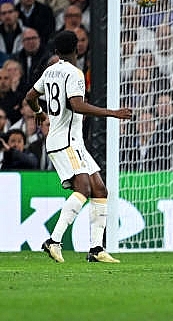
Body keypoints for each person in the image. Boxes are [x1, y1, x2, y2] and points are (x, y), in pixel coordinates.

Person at [25, 30, 132, 263]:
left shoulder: (50, 71)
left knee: (100, 189)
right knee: (83, 188)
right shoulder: (75, 73)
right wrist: (113, 113)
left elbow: (30, 96)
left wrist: (39, 112)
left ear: (56, 51)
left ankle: (96, 249)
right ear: (77, 49)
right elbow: (77, 105)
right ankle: (53, 241)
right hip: (65, 142)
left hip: (72, 142)